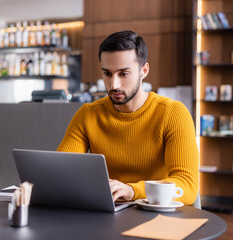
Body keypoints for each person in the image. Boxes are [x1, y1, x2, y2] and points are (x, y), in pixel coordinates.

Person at [57, 30, 199, 205]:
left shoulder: (173, 113)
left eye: (123, 74)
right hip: (107, 213)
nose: (114, 84)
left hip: (156, 214)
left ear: (143, 71)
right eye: (107, 74)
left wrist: (133, 191)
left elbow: (187, 185)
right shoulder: (88, 114)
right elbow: (62, 171)